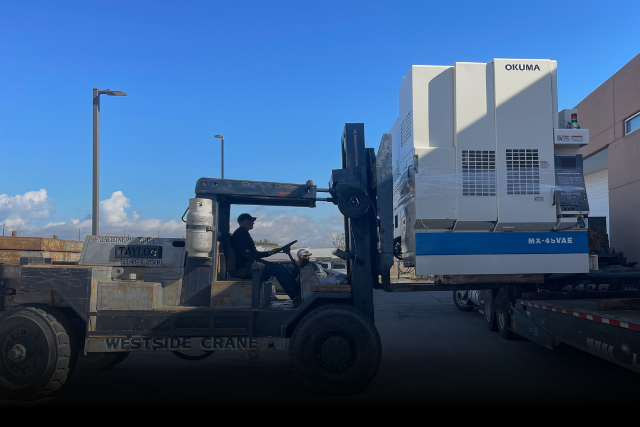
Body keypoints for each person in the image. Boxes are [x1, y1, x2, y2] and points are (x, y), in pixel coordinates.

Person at [230, 213, 301, 303]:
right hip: (247, 264)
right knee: (278, 269)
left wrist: (270, 252)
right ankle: (296, 295)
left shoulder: (243, 233)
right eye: (252, 221)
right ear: (246, 221)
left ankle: (297, 292)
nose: (253, 223)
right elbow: (246, 252)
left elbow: (254, 253)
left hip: (249, 261)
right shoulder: (241, 233)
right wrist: (255, 261)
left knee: (279, 267)